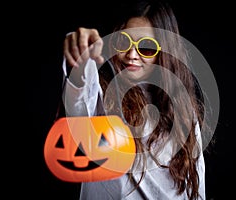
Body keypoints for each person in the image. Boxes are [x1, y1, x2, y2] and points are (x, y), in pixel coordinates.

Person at [59, 1, 207, 199]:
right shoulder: (102, 98)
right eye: (124, 42)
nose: (131, 55)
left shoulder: (184, 114)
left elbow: (196, 190)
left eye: (146, 47)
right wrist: (80, 53)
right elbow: (78, 104)